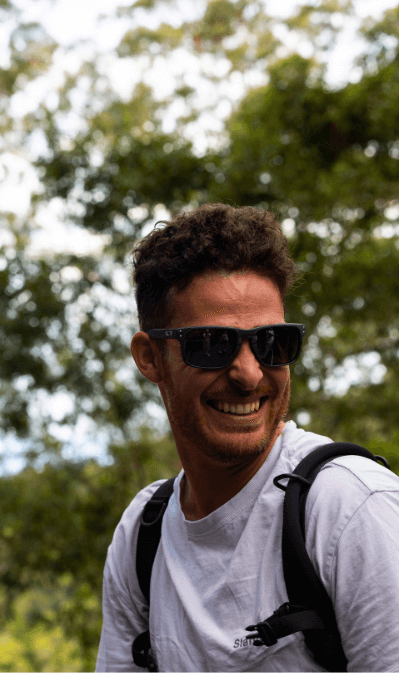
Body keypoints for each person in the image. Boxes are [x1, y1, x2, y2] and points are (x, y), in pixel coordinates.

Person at [95, 204, 399, 671]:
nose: (249, 373)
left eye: (271, 342)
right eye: (213, 344)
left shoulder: (351, 511)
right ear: (150, 357)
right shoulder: (143, 535)